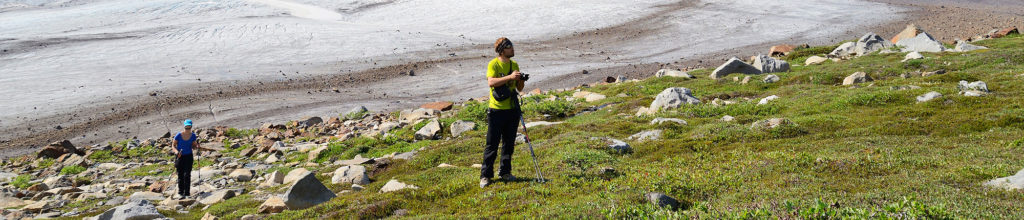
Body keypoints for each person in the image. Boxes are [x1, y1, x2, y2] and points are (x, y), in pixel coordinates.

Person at [481, 37, 527, 188]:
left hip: (512, 109)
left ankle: (505, 172)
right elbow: (491, 82)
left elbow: (519, 89)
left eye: (512, 46)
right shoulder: (493, 64)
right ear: (501, 50)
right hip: (496, 110)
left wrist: (521, 80)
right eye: (509, 47)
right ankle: (486, 176)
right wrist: (510, 77)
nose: (512, 49)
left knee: (509, 144)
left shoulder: (514, 64)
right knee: (492, 144)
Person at [171, 119, 200, 199]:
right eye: (186, 127)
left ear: (191, 127)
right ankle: (180, 192)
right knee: (180, 174)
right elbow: (173, 145)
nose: (187, 129)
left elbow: (194, 145)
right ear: (184, 127)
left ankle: (187, 193)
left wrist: (197, 146)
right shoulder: (178, 135)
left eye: (189, 127)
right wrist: (177, 152)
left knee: (187, 174)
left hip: (189, 156)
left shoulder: (193, 135)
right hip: (179, 156)